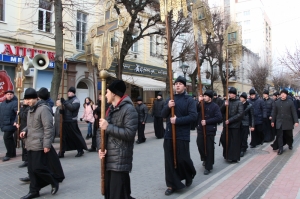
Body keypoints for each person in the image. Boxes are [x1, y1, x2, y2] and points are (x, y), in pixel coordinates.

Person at [19, 88, 64, 199]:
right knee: (31, 170)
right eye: (26, 99)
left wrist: (47, 145)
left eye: (29, 99)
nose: (27, 101)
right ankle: (34, 191)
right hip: (30, 143)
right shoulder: (30, 110)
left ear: (36, 98)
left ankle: (53, 180)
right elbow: (30, 126)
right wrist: (24, 130)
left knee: (38, 168)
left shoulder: (43, 109)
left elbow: (48, 128)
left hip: (39, 143)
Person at [98, 80, 138, 199]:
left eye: (107, 92)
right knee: (110, 194)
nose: (105, 95)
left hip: (120, 160)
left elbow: (129, 133)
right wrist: (101, 148)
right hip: (108, 158)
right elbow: (99, 131)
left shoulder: (129, 109)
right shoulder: (110, 109)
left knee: (119, 195)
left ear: (114, 93)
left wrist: (108, 127)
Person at [161, 76, 197, 195]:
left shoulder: (189, 100)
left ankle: (189, 174)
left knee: (183, 159)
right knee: (169, 160)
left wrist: (178, 120)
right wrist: (168, 106)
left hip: (182, 135)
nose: (177, 85)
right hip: (169, 134)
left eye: (180, 84)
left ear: (185, 86)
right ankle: (171, 185)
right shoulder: (170, 99)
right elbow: (163, 114)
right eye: (176, 83)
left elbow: (193, 116)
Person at [197, 90, 222, 175]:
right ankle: (204, 158)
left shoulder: (215, 106)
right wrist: (198, 102)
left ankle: (208, 166)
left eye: (206, 96)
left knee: (209, 148)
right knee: (200, 145)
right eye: (204, 96)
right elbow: (195, 110)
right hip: (201, 129)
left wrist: (207, 122)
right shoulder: (201, 104)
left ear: (210, 97)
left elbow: (219, 118)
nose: (204, 97)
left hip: (210, 130)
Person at [58, 87, 87, 158]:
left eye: (70, 92)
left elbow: (72, 108)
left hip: (72, 121)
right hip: (65, 121)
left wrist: (64, 102)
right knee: (64, 137)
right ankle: (62, 151)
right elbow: (66, 109)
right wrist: (62, 111)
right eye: (68, 92)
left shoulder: (76, 100)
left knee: (75, 137)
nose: (69, 93)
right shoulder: (68, 100)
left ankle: (80, 150)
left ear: (73, 93)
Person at [271, 89, 298, 155]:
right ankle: (280, 149)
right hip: (279, 122)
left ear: (286, 95)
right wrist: (272, 121)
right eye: (282, 93)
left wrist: (296, 121)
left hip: (288, 122)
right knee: (279, 136)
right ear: (280, 95)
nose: (283, 95)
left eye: (284, 93)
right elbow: (274, 112)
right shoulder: (277, 102)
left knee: (289, 135)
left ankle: (290, 144)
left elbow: (294, 112)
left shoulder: (290, 102)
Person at [220, 87, 243, 163]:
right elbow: (221, 111)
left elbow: (240, 114)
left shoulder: (239, 102)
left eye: (232, 93)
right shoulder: (226, 101)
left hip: (235, 126)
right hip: (226, 125)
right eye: (229, 93)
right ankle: (226, 154)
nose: (230, 94)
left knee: (234, 142)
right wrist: (224, 105)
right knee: (224, 140)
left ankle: (234, 157)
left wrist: (230, 120)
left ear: (235, 94)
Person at [0, 90, 18, 161]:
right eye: (8, 94)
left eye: (11, 94)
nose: (9, 95)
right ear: (5, 95)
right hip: (4, 124)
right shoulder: (3, 103)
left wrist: (16, 121)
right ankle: (13, 153)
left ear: (13, 95)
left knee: (6, 138)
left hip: (11, 124)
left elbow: (17, 113)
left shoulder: (15, 103)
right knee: (10, 139)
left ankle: (9, 154)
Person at [239, 92, 254, 157]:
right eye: (240, 97)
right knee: (239, 136)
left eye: (242, 97)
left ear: (245, 99)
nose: (241, 98)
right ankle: (240, 147)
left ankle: (243, 148)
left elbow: (252, 116)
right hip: (239, 123)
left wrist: (252, 125)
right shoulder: (238, 104)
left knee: (244, 136)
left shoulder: (249, 105)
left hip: (246, 123)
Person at [17, 99, 30, 168]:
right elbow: (19, 117)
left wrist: (19, 113)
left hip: (26, 128)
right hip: (22, 127)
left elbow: (25, 117)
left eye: (25, 100)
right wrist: (17, 122)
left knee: (26, 146)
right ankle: (25, 159)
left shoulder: (29, 108)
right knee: (23, 146)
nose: (24, 101)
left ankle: (27, 160)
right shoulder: (22, 108)